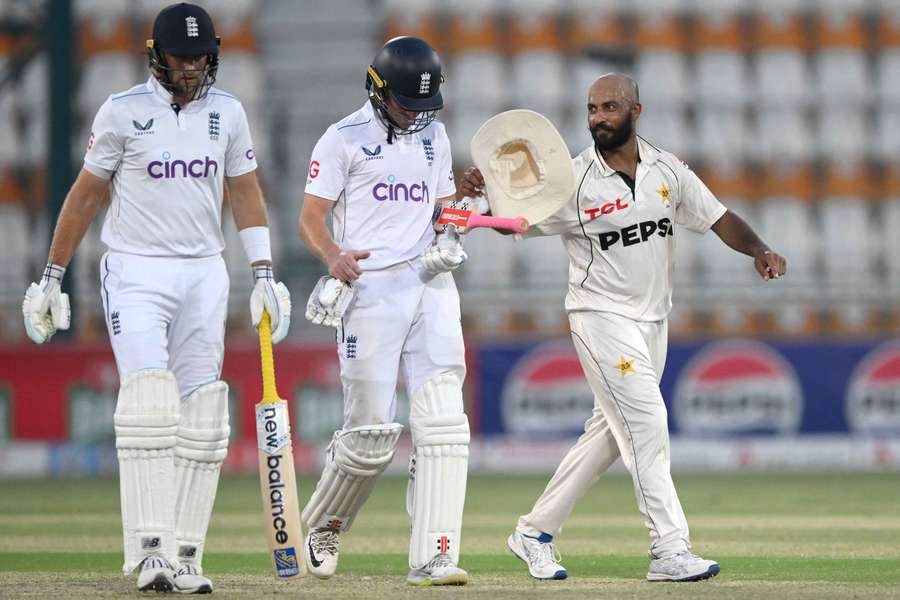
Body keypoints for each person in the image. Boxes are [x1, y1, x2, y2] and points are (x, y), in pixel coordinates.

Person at [459, 73, 787, 582]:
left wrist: (759, 250)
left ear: (637, 110)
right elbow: (511, 221)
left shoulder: (667, 170)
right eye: (591, 109)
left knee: (611, 435)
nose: (598, 118)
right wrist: (476, 195)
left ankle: (533, 531)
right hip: (599, 317)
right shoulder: (571, 181)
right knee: (647, 421)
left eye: (609, 107)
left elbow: (719, 217)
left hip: (654, 321)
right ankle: (669, 549)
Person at [21, 3, 291, 593]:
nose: (191, 67)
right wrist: (51, 274)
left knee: (202, 417)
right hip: (136, 270)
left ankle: (187, 556)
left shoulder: (229, 113)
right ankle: (149, 554)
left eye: (200, 57)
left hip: (204, 271)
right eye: (180, 57)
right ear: (156, 55)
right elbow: (85, 195)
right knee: (149, 402)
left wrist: (264, 272)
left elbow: (245, 194)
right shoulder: (122, 112)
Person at [299, 36, 470, 586]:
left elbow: (443, 211)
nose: (417, 115)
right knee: (370, 431)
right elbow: (310, 218)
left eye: (425, 106)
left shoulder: (435, 136)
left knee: (444, 421)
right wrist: (333, 256)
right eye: (405, 104)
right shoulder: (341, 139)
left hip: (430, 282)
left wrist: (457, 220)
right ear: (377, 90)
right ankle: (324, 526)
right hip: (370, 289)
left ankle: (435, 553)